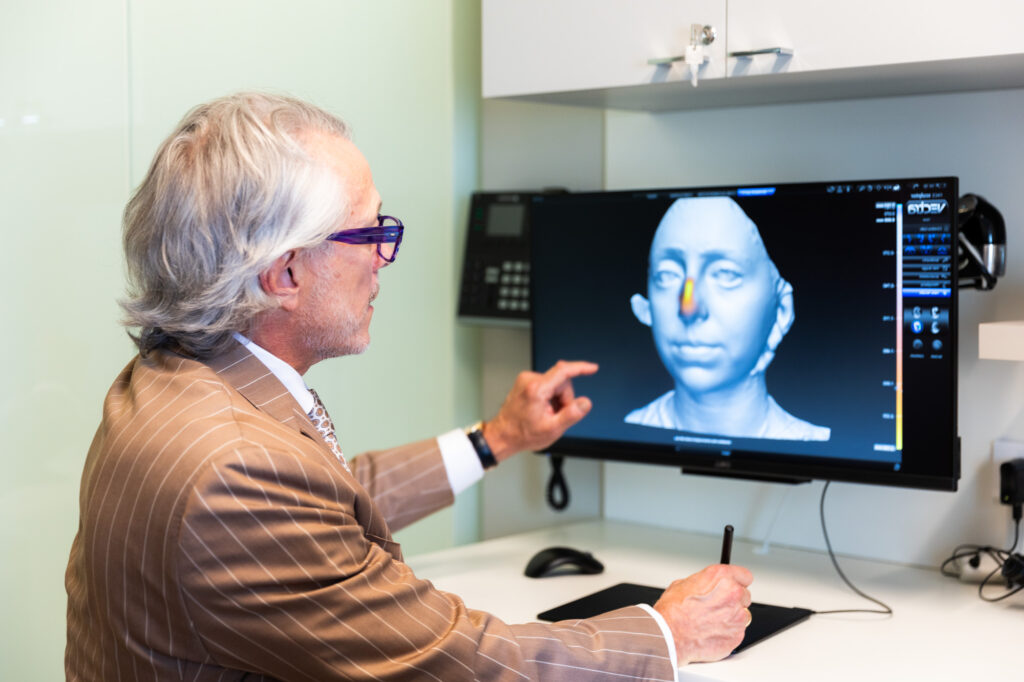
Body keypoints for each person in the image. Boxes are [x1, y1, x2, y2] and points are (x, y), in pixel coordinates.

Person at [65, 92, 753, 681]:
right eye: (370, 231)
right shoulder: (234, 472)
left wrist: (497, 438)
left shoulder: (171, 385)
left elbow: (322, 504)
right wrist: (667, 634)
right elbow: (458, 664)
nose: (383, 259)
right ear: (285, 274)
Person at [627, 196, 830, 441]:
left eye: (725, 274)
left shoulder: (815, 441)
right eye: (667, 275)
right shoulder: (630, 427)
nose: (689, 307)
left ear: (781, 310)